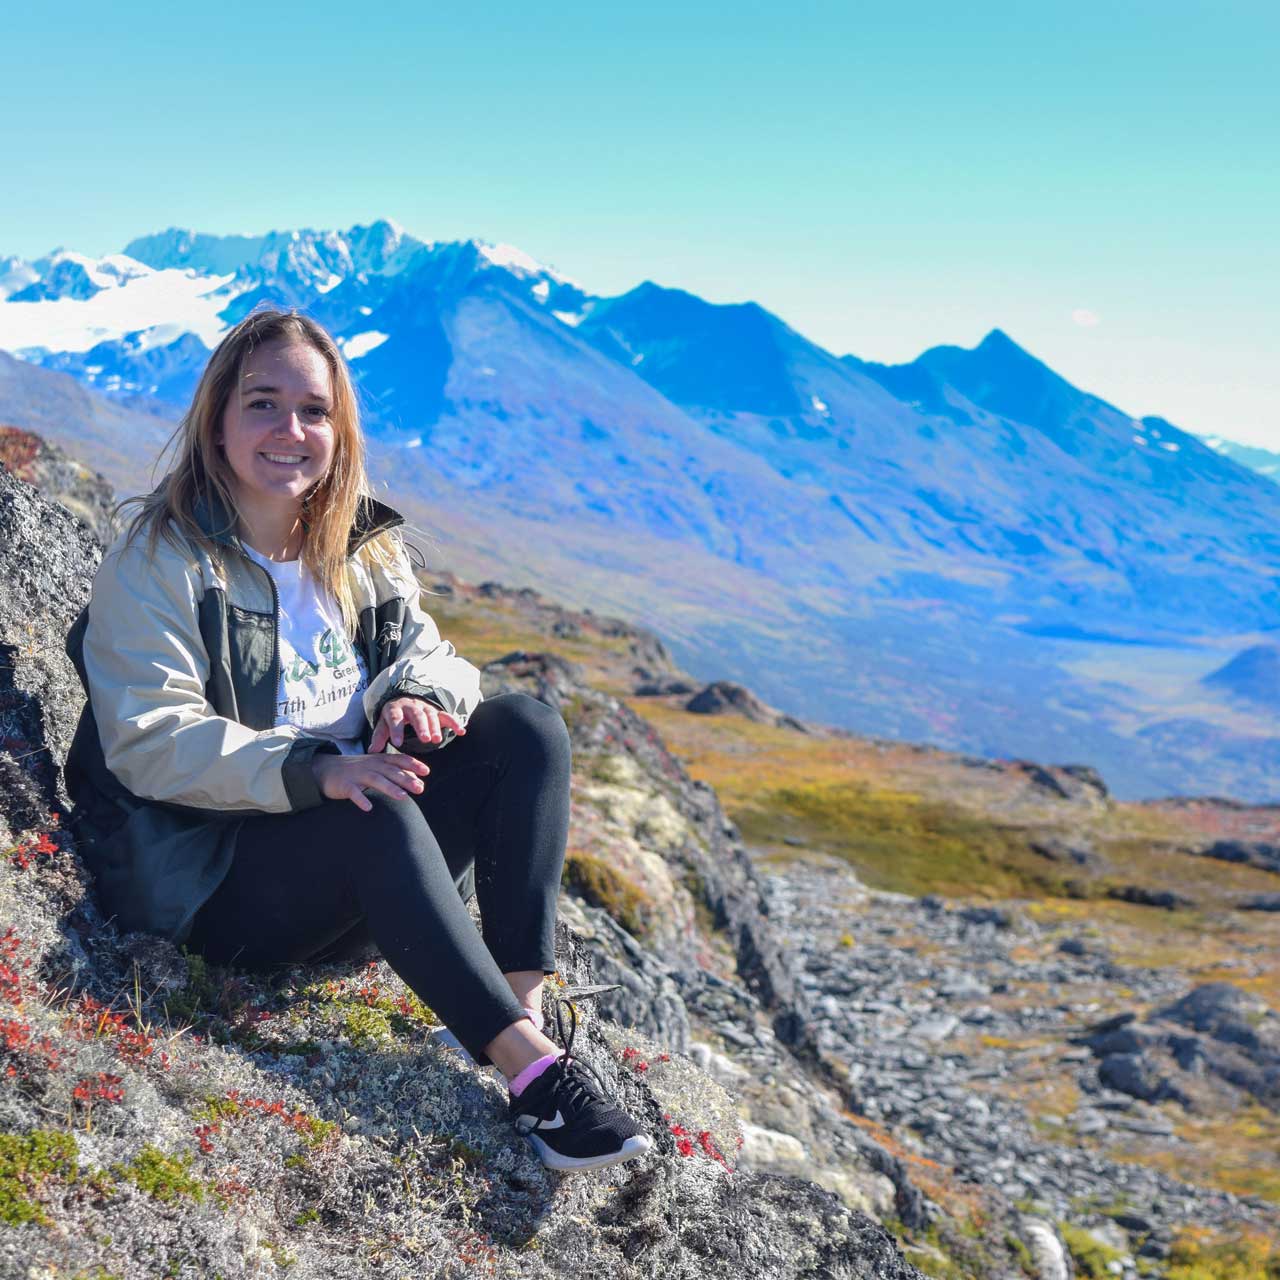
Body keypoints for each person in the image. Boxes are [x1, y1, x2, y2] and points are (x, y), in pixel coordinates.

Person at [63, 307, 651, 1173]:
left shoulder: (357, 545)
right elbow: (151, 739)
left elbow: (436, 658)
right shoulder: (160, 558)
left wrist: (417, 697)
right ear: (217, 420)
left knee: (524, 726)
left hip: (365, 883)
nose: (289, 431)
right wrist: (319, 771)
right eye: (262, 404)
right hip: (215, 886)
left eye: (314, 410)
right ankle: (534, 1085)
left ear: (340, 428)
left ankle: (518, 1004)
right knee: (365, 802)